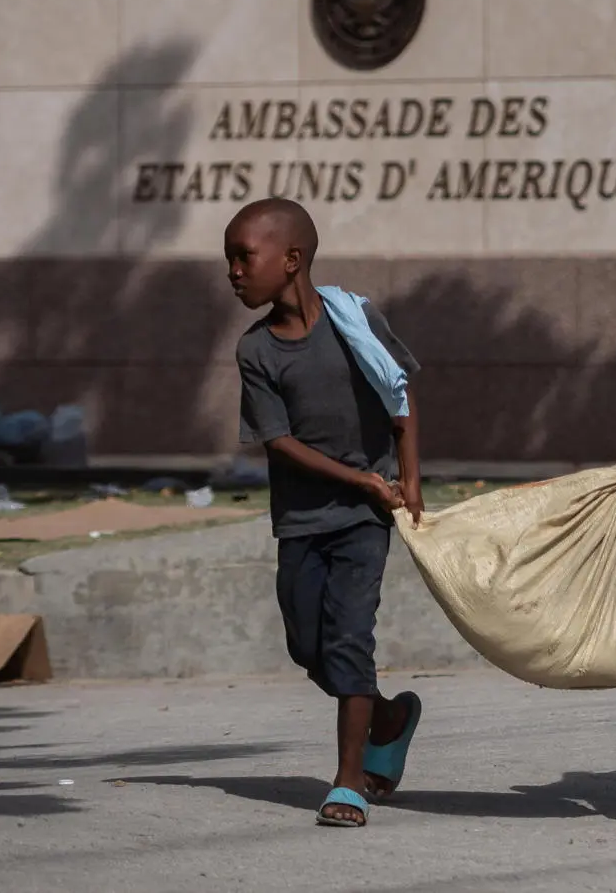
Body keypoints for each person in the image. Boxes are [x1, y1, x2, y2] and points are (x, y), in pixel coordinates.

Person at [226, 197, 426, 829]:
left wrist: (407, 478)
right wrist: (358, 478)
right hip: (303, 519)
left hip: (364, 520)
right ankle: (390, 718)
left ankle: (349, 782)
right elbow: (279, 442)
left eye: (243, 257)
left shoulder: (354, 317)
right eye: (228, 259)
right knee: (308, 648)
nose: (232, 271)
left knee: (348, 638)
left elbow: (399, 396)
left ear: (291, 260)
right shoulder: (256, 351)